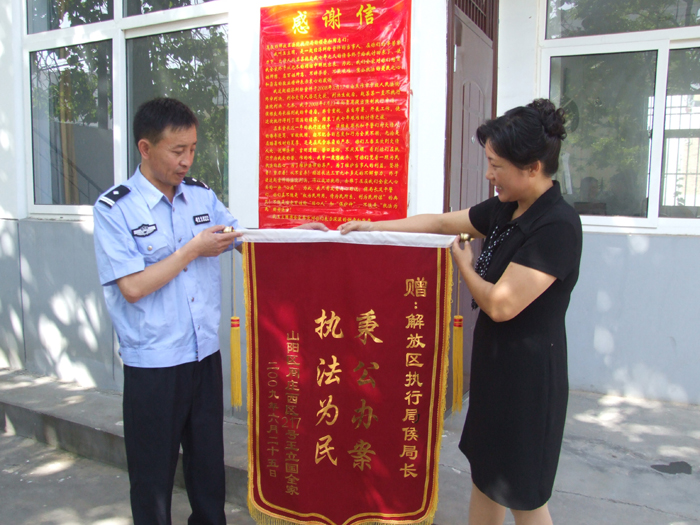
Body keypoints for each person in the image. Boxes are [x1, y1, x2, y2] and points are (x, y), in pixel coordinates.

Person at [339, 99, 582, 525]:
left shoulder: (557, 225)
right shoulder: (508, 209)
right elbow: (439, 223)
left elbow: (501, 303)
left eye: (496, 166)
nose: (489, 175)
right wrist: (373, 227)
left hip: (528, 385)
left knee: (524, 497)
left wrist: (464, 266)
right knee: (486, 478)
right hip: (495, 370)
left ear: (532, 168)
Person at [93, 97, 326, 524]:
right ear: (145, 148)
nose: (187, 160)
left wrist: (292, 235)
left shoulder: (200, 196)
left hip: (203, 356)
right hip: (155, 364)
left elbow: (240, 239)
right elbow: (133, 287)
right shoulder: (115, 209)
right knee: (152, 479)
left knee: (208, 472)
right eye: (177, 151)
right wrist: (192, 250)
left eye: (193, 149)